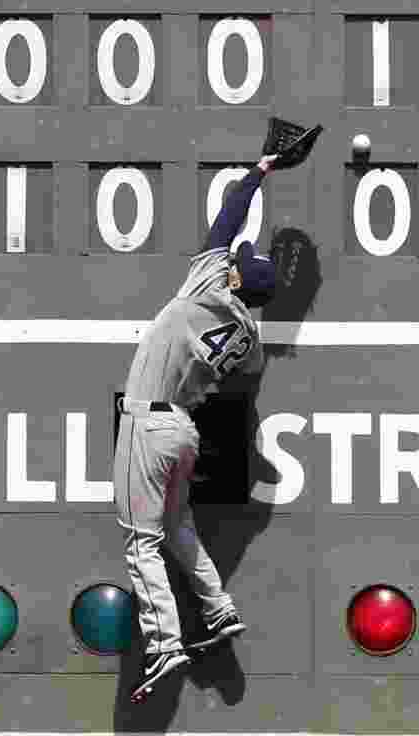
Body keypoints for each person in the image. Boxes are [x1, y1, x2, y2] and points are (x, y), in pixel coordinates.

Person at [114, 154, 281, 705]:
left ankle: (164, 643)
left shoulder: (207, 282)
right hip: (184, 431)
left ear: (233, 275)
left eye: (239, 263)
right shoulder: (250, 340)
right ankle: (219, 608)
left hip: (148, 421)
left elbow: (228, 218)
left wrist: (258, 173)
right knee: (178, 528)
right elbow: (246, 373)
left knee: (143, 542)